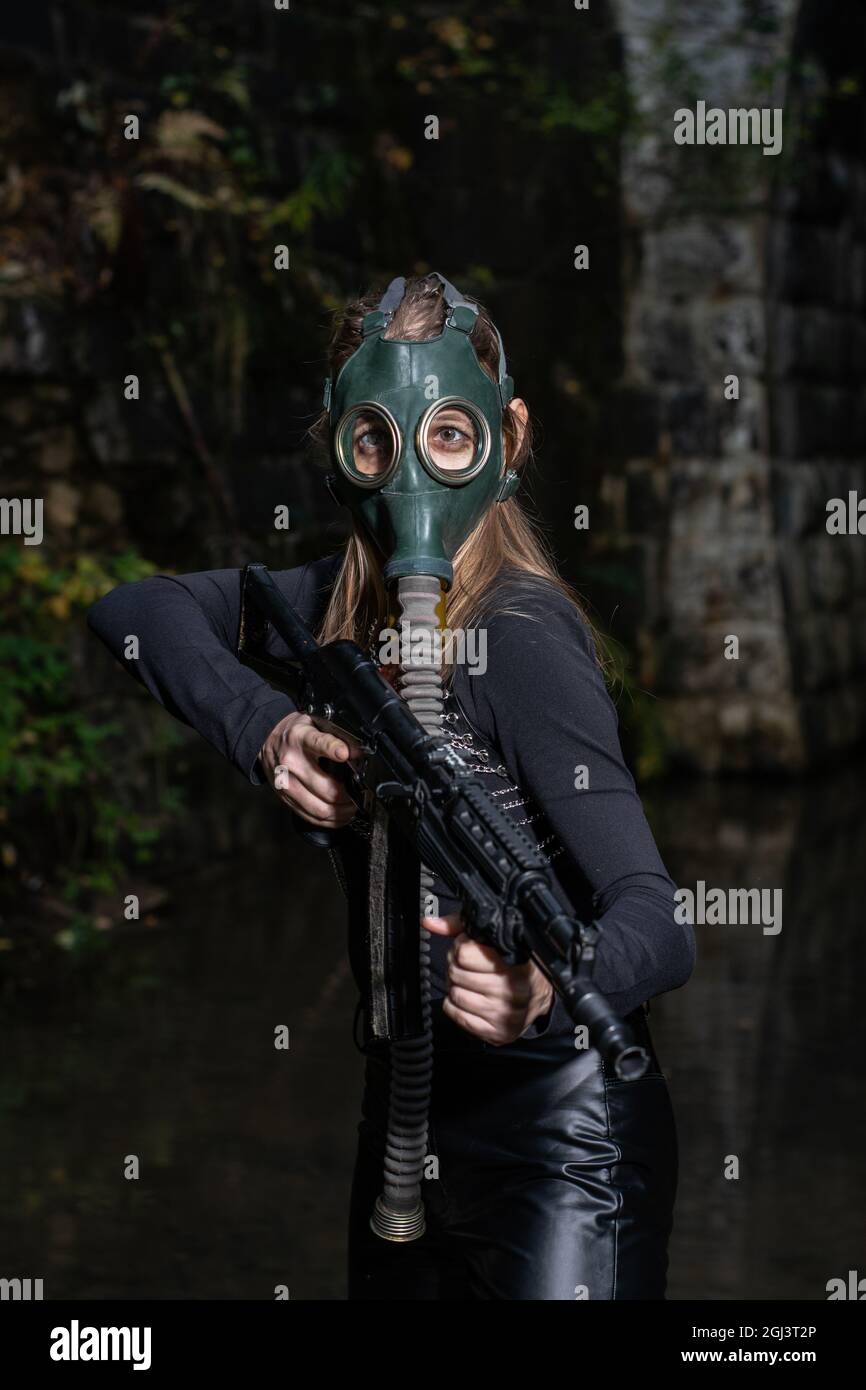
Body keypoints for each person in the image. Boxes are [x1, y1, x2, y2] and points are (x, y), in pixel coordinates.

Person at [88, 272, 695, 1300]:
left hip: (561, 1142)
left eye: (446, 436)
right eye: (375, 442)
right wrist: (266, 728)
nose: (408, 471)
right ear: (338, 449)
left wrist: (546, 988)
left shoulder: (520, 633)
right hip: (405, 1131)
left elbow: (659, 920)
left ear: (505, 441)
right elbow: (135, 609)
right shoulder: (335, 601)